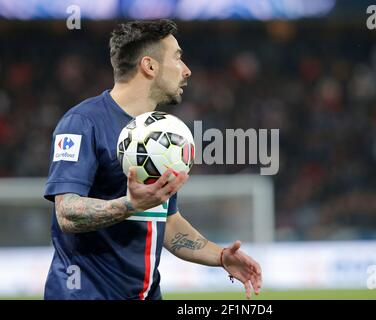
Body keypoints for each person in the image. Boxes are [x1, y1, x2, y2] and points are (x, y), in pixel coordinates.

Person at [43, 19, 262, 300]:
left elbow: (168, 223)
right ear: (149, 66)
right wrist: (129, 204)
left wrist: (221, 257)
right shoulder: (82, 122)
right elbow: (67, 212)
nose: (187, 70)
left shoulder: (163, 137)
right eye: (178, 58)